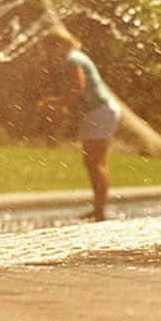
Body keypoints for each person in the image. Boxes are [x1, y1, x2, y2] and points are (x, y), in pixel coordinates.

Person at [38, 25, 120, 221]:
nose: (47, 53)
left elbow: (77, 89)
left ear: (58, 45)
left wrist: (54, 103)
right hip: (98, 112)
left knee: (95, 163)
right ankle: (98, 208)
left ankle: (100, 211)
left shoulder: (73, 60)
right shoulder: (75, 57)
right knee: (93, 163)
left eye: (48, 48)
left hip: (99, 112)